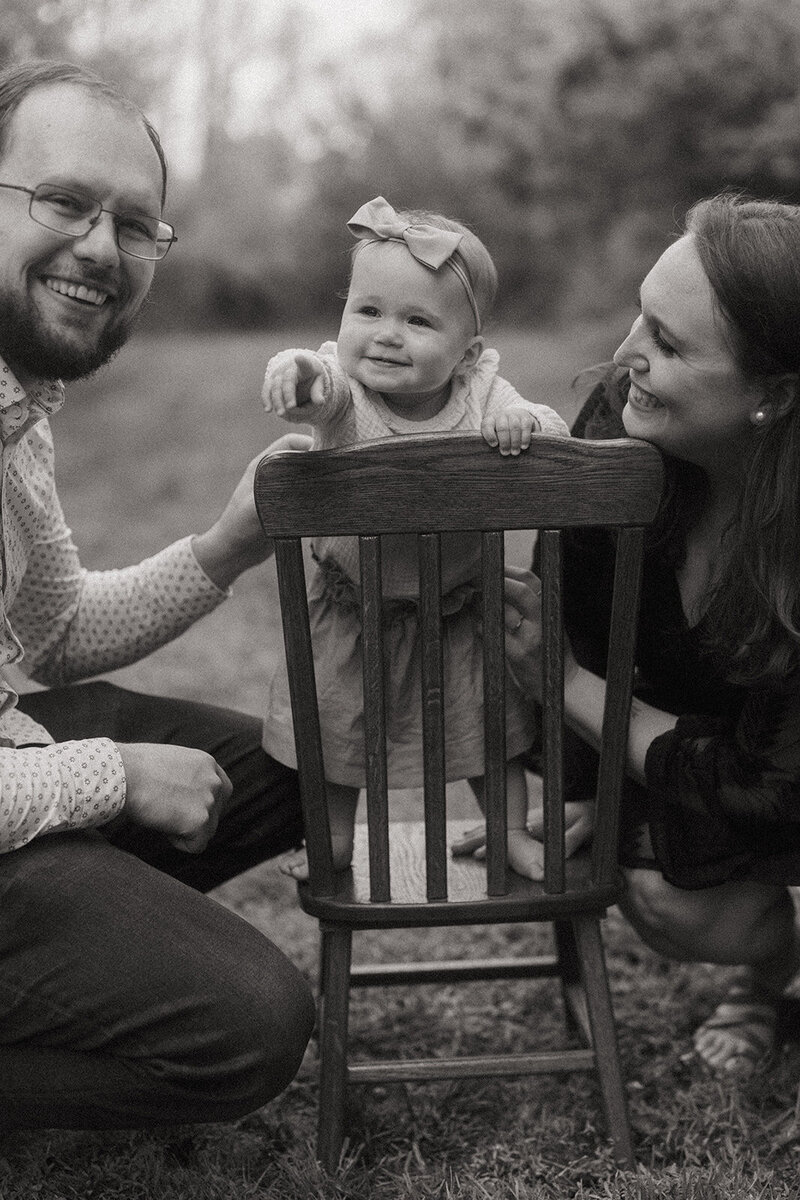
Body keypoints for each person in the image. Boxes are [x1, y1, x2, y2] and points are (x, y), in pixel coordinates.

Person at [0, 58, 316, 1130]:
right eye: (63, 201)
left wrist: (228, 545)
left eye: (135, 224)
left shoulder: (16, 414)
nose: (100, 247)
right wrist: (110, 776)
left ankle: (84, 931)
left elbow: (52, 627)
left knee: (284, 769)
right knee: (249, 1024)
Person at [494, 192, 800, 1078]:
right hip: (713, 755)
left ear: (773, 399)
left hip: (778, 773)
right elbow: (580, 627)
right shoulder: (617, 435)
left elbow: (771, 787)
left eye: (668, 345)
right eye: (641, 317)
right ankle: (773, 976)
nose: (625, 356)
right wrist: (595, 791)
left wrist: (574, 692)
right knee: (670, 896)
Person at [261, 195, 570, 881]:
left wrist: (524, 421)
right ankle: (331, 840)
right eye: (367, 311)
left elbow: (553, 433)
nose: (387, 334)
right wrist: (301, 376)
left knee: (493, 739)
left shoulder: (484, 393)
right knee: (339, 739)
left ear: (469, 352)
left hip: (459, 614)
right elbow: (320, 389)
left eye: (418, 320)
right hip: (352, 616)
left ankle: (510, 832)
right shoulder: (348, 393)